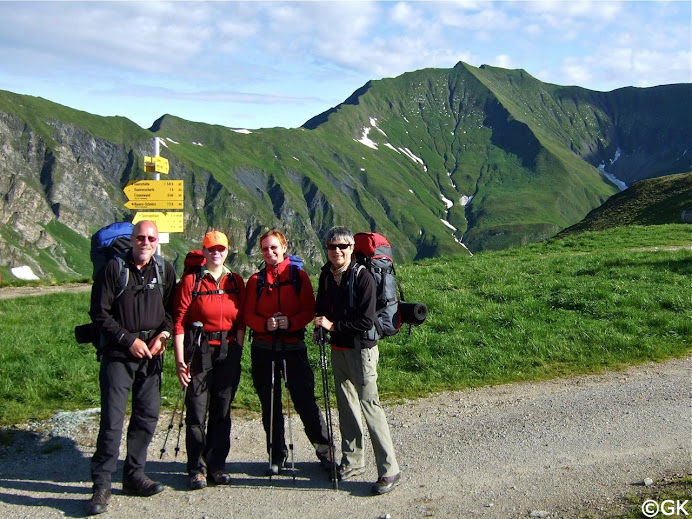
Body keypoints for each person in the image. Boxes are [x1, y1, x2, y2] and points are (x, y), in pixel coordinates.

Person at [87, 220, 177, 515]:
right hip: (118, 355)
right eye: (141, 238)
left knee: (147, 416)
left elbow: (170, 312)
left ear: (156, 241)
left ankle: (134, 475)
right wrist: (128, 341)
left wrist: (163, 336)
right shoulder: (114, 268)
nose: (146, 243)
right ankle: (101, 484)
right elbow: (99, 314)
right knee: (112, 420)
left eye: (151, 238)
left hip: (152, 355)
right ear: (132, 239)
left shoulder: (164, 270)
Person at [313, 226, 402, 495]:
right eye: (332, 247)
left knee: (369, 406)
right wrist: (321, 326)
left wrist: (332, 325)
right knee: (347, 406)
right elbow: (321, 308)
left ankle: (390, 470)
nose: (337, 251)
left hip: (362, 350)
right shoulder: (327, 275)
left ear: (352, 249)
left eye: (343, 246)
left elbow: (366, 320)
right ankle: (352, 461)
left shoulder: (364, 277)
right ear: (326, 249)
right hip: (339, 348)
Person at [244, 228, 335, 476]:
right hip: (264, 348)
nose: (270, 252)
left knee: (305, 401)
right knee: (270, 405)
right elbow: (247, 314)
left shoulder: (299, 277)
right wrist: (265, 324)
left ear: (284, 247)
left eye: (274, 247)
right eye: (265, 249)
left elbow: (309, 309)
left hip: (293, 346)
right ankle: (277, 454)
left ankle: (326, 452)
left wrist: (290, 323)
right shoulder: (255, 281)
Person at [172, 231, 246, 490]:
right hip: (198, 351)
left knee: (222, 409)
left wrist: (238, 346)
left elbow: (241, 319)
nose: (216, 253)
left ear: (227, 251)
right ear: (203, 252)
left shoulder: (235, 281)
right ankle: (196, 467)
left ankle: (217, 464)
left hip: (227, 350)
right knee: (196, 409)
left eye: (221, 249)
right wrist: (180, 360)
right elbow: (179, 322)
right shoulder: (191, 282)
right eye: (210, 249)